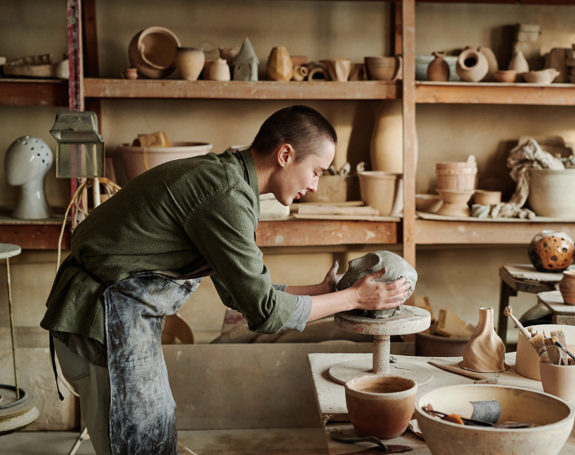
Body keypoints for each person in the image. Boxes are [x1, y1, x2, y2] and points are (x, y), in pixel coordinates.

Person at [40, 105, 411, 455]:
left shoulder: (227, 179)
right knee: (139, 445)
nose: (315, 185)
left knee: (153, 435)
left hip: (111, 319)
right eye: (317, 170)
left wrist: (324, 292)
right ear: (285, 155)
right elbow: (265, 313)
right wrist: (354, 300)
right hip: (98, 320)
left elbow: (241, 296)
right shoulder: (226, 196)